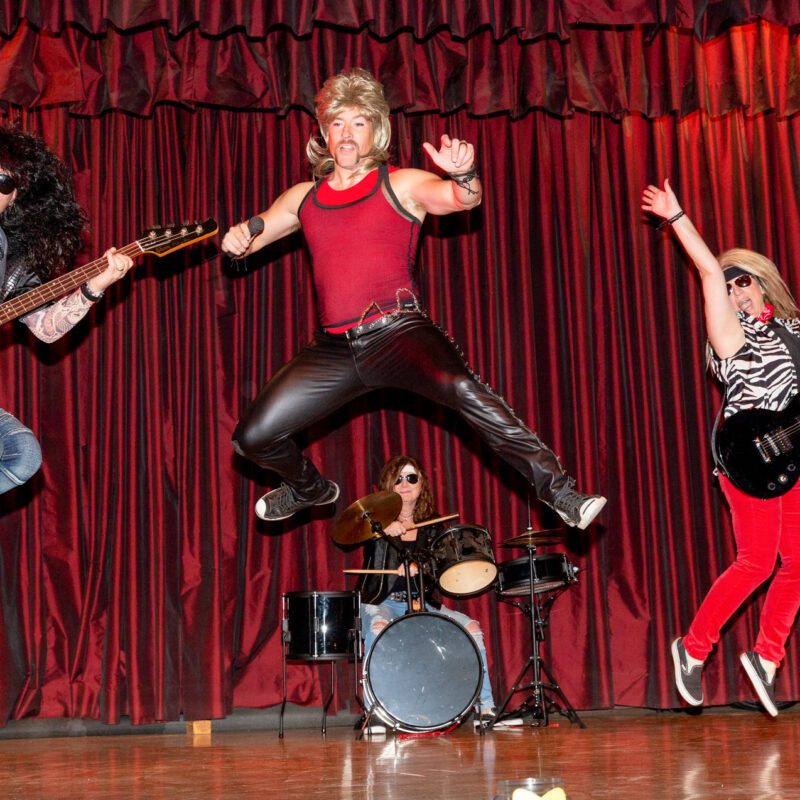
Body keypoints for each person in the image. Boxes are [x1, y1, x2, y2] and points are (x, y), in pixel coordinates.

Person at [222, 68, 606, 530]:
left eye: (359, 123)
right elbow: (253, 233)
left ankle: (559, 492)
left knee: (464, 389)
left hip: (398, 332)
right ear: (324, 133)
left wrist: (464, 174)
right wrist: (237, 239)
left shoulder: (400, 183)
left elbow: (461, 199)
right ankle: (309, 489)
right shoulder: (304, 197)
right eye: (338, 123)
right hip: (334, 349)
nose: (347, 133)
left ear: (375, 131)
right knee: (251, 437)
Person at [641, 178, 800, 718]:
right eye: (728, 287)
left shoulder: (795, 330)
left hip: (792, 460)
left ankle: (766, 657)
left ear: (764, 282)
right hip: (746, 457)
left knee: (798, 563)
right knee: (757, 561)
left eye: (743, 282)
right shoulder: (728, 339)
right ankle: (692, 648)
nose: (734, 292)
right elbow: (708, 270)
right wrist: (676, 216)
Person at [0, 126, 134, 494]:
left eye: (3, 182)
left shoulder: (15, 262)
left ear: (16, 199)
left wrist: (97, 285)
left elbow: (46, 328)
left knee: (21, 453)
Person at [355, 455, 520, 728]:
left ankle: (485, 709)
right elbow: (350, 536)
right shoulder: (374, 521)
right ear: (388, 485)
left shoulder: (433, 525)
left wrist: (424, 568)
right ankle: (374, 713)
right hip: (382, 601)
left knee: (473, 629)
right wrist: (382, 529)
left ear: (421, 485)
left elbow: (441, 570)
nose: (405, 484)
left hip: (423, 602)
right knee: (379, 627)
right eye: (398, 478)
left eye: (411, 477)